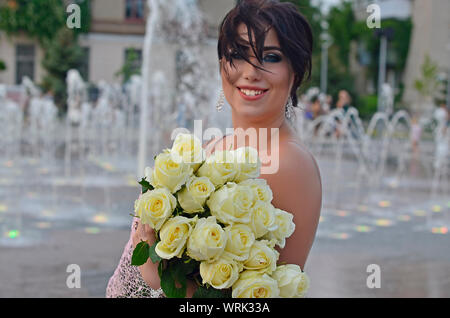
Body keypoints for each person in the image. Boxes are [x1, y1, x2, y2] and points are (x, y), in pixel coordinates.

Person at [106, 0, 322, 298]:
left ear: (295, 72)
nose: (251, 72)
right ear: (222, 65)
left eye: (270, 57)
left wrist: (158, 276)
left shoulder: (288, 161)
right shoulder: (214, 145)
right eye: (237, 55)